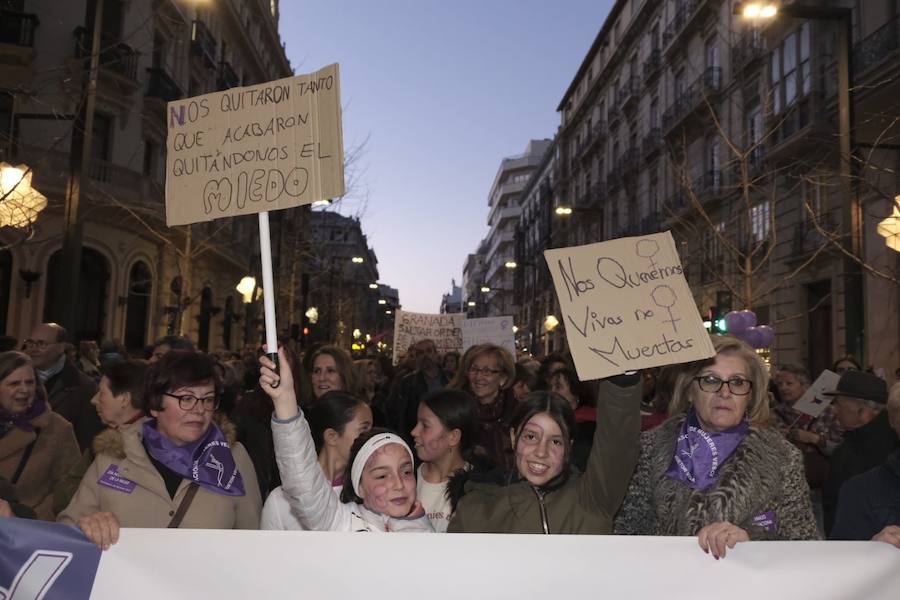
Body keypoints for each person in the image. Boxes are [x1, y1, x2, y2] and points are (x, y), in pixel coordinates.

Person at [615, 336, 820, 558]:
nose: (725, 392)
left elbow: (803, 544)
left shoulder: (783, 457)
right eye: (711, 380)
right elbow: (628, 536)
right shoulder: (649, 450)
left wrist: (751, 541)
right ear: (690, 391)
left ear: (750, 396)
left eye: (738, 382)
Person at [58, 350, 262, 549]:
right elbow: (66, 528)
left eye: (208, 399)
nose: (200, 410)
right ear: (155, 405)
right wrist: (87, 526)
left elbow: (254, 546)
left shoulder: (233, 458)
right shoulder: (115, 456)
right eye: (186, 398)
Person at [261, 348, 432, 533]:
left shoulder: (429, 536)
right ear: (360, 486)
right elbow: (303, 483)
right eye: (382, 476)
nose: (399, 485)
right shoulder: (343, 522)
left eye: (406, 472)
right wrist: (285, 401)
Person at [447, 371, 640, 534]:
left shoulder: (593, 499)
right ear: (514, 438)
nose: (541, 452)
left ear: (569, 447)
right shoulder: (476, 510)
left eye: (556, 441)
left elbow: (618, 440)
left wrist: (623, 376)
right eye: (531, 437)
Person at [261, 391, 373, 530]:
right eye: (363, 431)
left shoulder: (371, 493)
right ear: (331, 436)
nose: (371, 439)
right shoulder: (280, 501)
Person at [52, 359, 148, 515]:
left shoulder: (118, 446)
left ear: (124, 399)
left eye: (101, 392)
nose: (94, 400)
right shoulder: (106, 442)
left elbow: (65, 499)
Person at [0, 351, 80, 520]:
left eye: (30, 382)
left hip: (25, 530)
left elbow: (69, 486)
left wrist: (33, 517)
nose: (24, 390)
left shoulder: (57, 429)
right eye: (14, 383)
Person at [821, 370, 897, 536]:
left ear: (862, 411)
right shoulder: (846, 447)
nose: (833, 410)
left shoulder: (889, 450)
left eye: (838, 404)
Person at [24, 323, 101, 452]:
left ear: (61, 347)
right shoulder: (16, 378)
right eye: (30, 343)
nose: (33, 349)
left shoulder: (83, 386)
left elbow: (86, 440)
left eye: (42, 344)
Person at [411, 389, 479, 532]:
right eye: (417, 423)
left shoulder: (479, 487)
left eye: (425, 426)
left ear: (453, 437)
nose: (414, 432)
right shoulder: (407, 480)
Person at [448, 344, 517, 469]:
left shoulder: (517, 412)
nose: (479, 377)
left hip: (509, 484)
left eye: (487, 371)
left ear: (503, 377)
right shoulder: (458, 410)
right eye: (474, 369)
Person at [386, 339, 449, 445]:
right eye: (420, 353)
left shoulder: (450, 379)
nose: (425, 356)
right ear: (416, 357)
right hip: (418, 439)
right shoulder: (407, 382)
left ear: (436, 353)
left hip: (446, 436)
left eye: (429, 351)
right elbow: (397, 413)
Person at [354, 358, 388, 426]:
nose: (374, 375)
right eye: (369, 372)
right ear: (360, 374)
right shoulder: (354, 398)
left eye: (375, 372)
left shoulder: (380, 396)